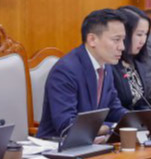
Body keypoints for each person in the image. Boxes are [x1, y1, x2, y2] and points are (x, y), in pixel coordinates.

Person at [36, 9, 128, 139]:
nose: (122, 47)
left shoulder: (106, 66)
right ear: (92, 39)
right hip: (56, 145)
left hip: (91, 142)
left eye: (123, 40)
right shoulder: (65, 71)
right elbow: (66, 125)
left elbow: (114, 109)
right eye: (116, 40)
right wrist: (109, 127)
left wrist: (137, 121)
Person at [112, 5, 151, 111]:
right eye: (139, 34)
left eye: (146, 34)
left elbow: (142, 103)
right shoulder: (109, 64)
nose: (143, 40)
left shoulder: (138, 61)